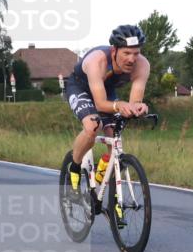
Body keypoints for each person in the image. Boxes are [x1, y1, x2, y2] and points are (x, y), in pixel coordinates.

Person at [64, 25, 151, 192]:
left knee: (114, 133)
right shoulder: (97, 61)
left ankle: (102, 178)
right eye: (126, 53)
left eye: (136, 53)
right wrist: (118, 105)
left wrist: (139, 107)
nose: (132, 59)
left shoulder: (142, 65)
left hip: (107, 91)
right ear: (114, 51)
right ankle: (74, 167)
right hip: (81, 88)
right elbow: (100, 104)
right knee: (92, 126)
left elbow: (134, 102)